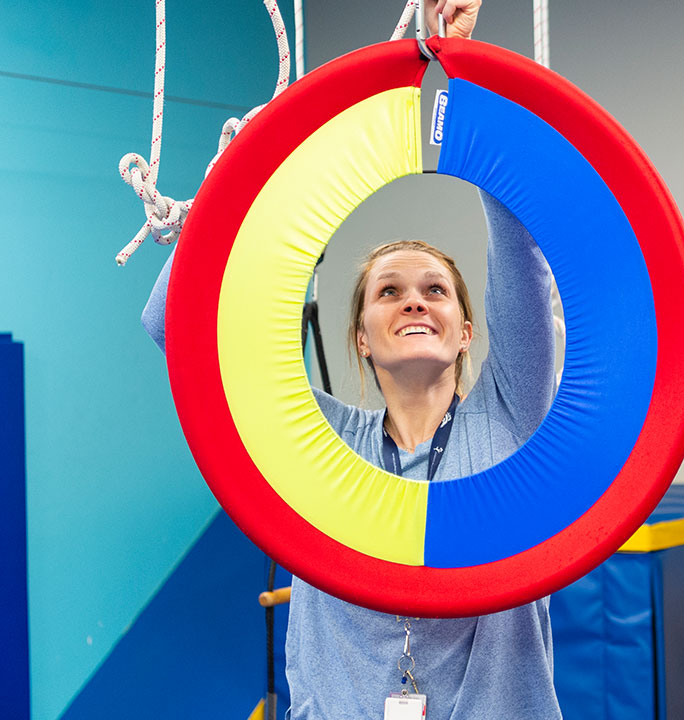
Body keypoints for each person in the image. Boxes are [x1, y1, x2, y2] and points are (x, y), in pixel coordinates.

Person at [143, 4, 563, 717]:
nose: (415, 303)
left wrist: (465, 71)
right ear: (362, 337)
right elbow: (175, 330)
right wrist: (236, 182)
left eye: (437, 290)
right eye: (389, 292)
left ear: (468, 330)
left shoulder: (511, 415)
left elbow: (517, 254)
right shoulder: (318, 440)